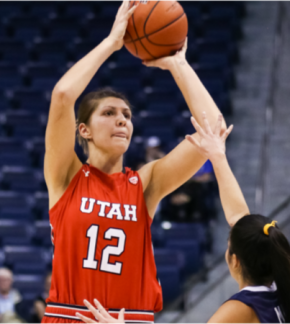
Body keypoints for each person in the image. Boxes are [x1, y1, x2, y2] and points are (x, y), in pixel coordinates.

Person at [42, 0, 227, 321]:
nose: (122, 120)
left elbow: (214, 131)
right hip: (70, 316)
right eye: (109, 113)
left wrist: (178, 65)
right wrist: (112, 43)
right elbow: (62, 96)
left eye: (127, 115)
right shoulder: (66, 177)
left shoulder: (144, 185)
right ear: (82, 129)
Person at [77, 114, 290, 324]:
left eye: (229, 246)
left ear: (235, 261)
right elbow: (240, 220)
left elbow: (241, 222)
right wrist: (217, 156)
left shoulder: (242, 308)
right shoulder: (278, 293)